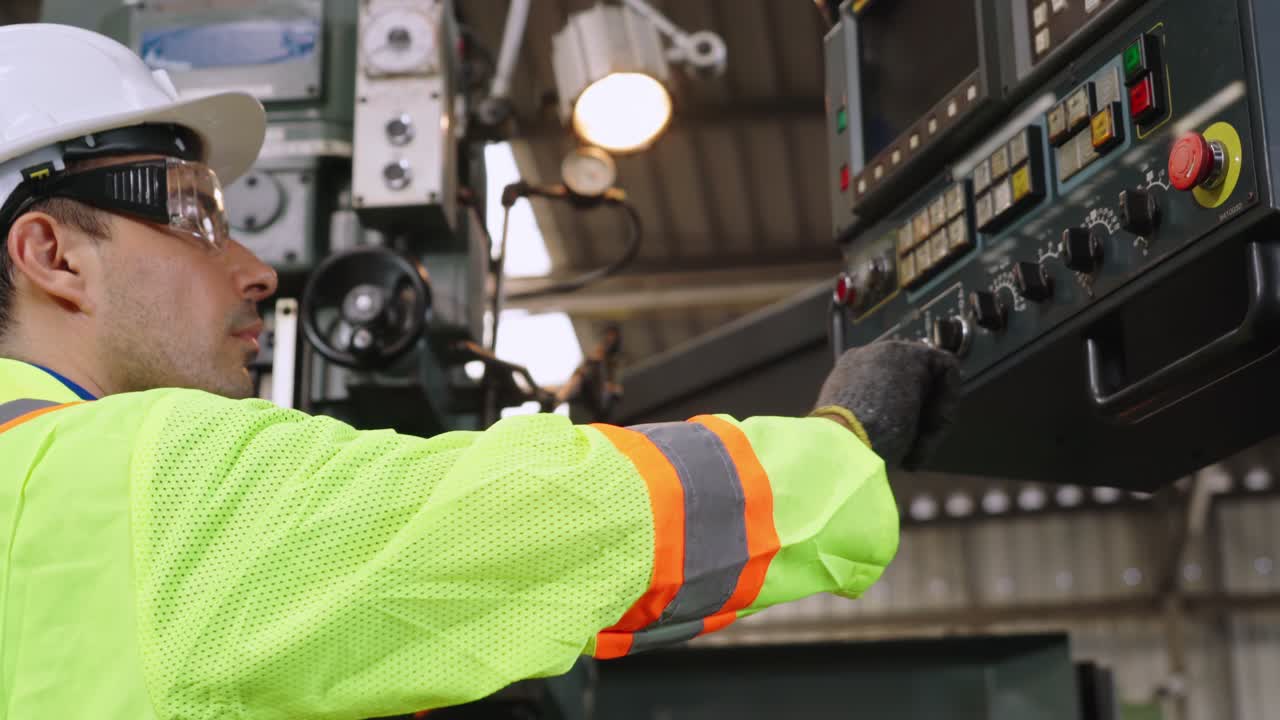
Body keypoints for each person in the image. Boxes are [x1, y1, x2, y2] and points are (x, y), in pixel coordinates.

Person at [0, 23, 960, 720]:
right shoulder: (129, 484)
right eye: (195, 214)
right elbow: (530, 522)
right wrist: (836, 449)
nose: (255, 270)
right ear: (52, 254)